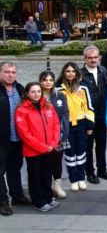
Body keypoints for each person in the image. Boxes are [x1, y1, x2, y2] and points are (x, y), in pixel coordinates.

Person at [15, 82, 60, 212]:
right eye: (33, 91)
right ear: (27, 93)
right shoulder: (21, 109)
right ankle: (38, 201)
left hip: (49, 149)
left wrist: (52, 144)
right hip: (33, 151)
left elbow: (56, 125)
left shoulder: (48, 106)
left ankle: (48, 198)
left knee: (47, 175)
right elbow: (25, 134)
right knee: (35, 177)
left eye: (38, 91)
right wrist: (43, 147)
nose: (36, 94)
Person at [0, 62, 31, 216]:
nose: (10, 75)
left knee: (15, 168)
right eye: (7, 72)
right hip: (1, 140)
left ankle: (17, 196)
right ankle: (3, 202)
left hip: (17, 138)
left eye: (13, 72)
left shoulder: (20, 89)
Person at [58, 62, 94, 192]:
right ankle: (73, 179)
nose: (70, 74)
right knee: (70, 153)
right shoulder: (58, 89)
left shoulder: (83, 88)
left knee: (81, 151)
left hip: (81, 124)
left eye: (73, 71)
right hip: (66, 126)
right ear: (64, 73)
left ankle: (81, 178)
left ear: (77, 73)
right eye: (68, 71)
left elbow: (89, 107)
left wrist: (90, 125)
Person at [80, 45, 107, 184]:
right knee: (88, 145)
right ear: (85, 59)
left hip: (101, 114)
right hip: (88, 115)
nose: (93, 60)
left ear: (99, 58)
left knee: (101, 144)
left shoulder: (103, 71)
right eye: (90, 57)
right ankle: (90, 172)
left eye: (95, 57)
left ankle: (102, 169)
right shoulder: (79, 74)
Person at [39, 71, 69, 200]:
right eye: (45, 80)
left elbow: (65, 114)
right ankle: (46, 188)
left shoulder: (60, 95)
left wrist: (64, 133)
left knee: (57, 161)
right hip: (43, 137)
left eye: (51, 80)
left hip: (59, 134)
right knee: (46, 163)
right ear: (40, 81)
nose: (48, 82)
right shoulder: (36, 96)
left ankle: (57, 185)